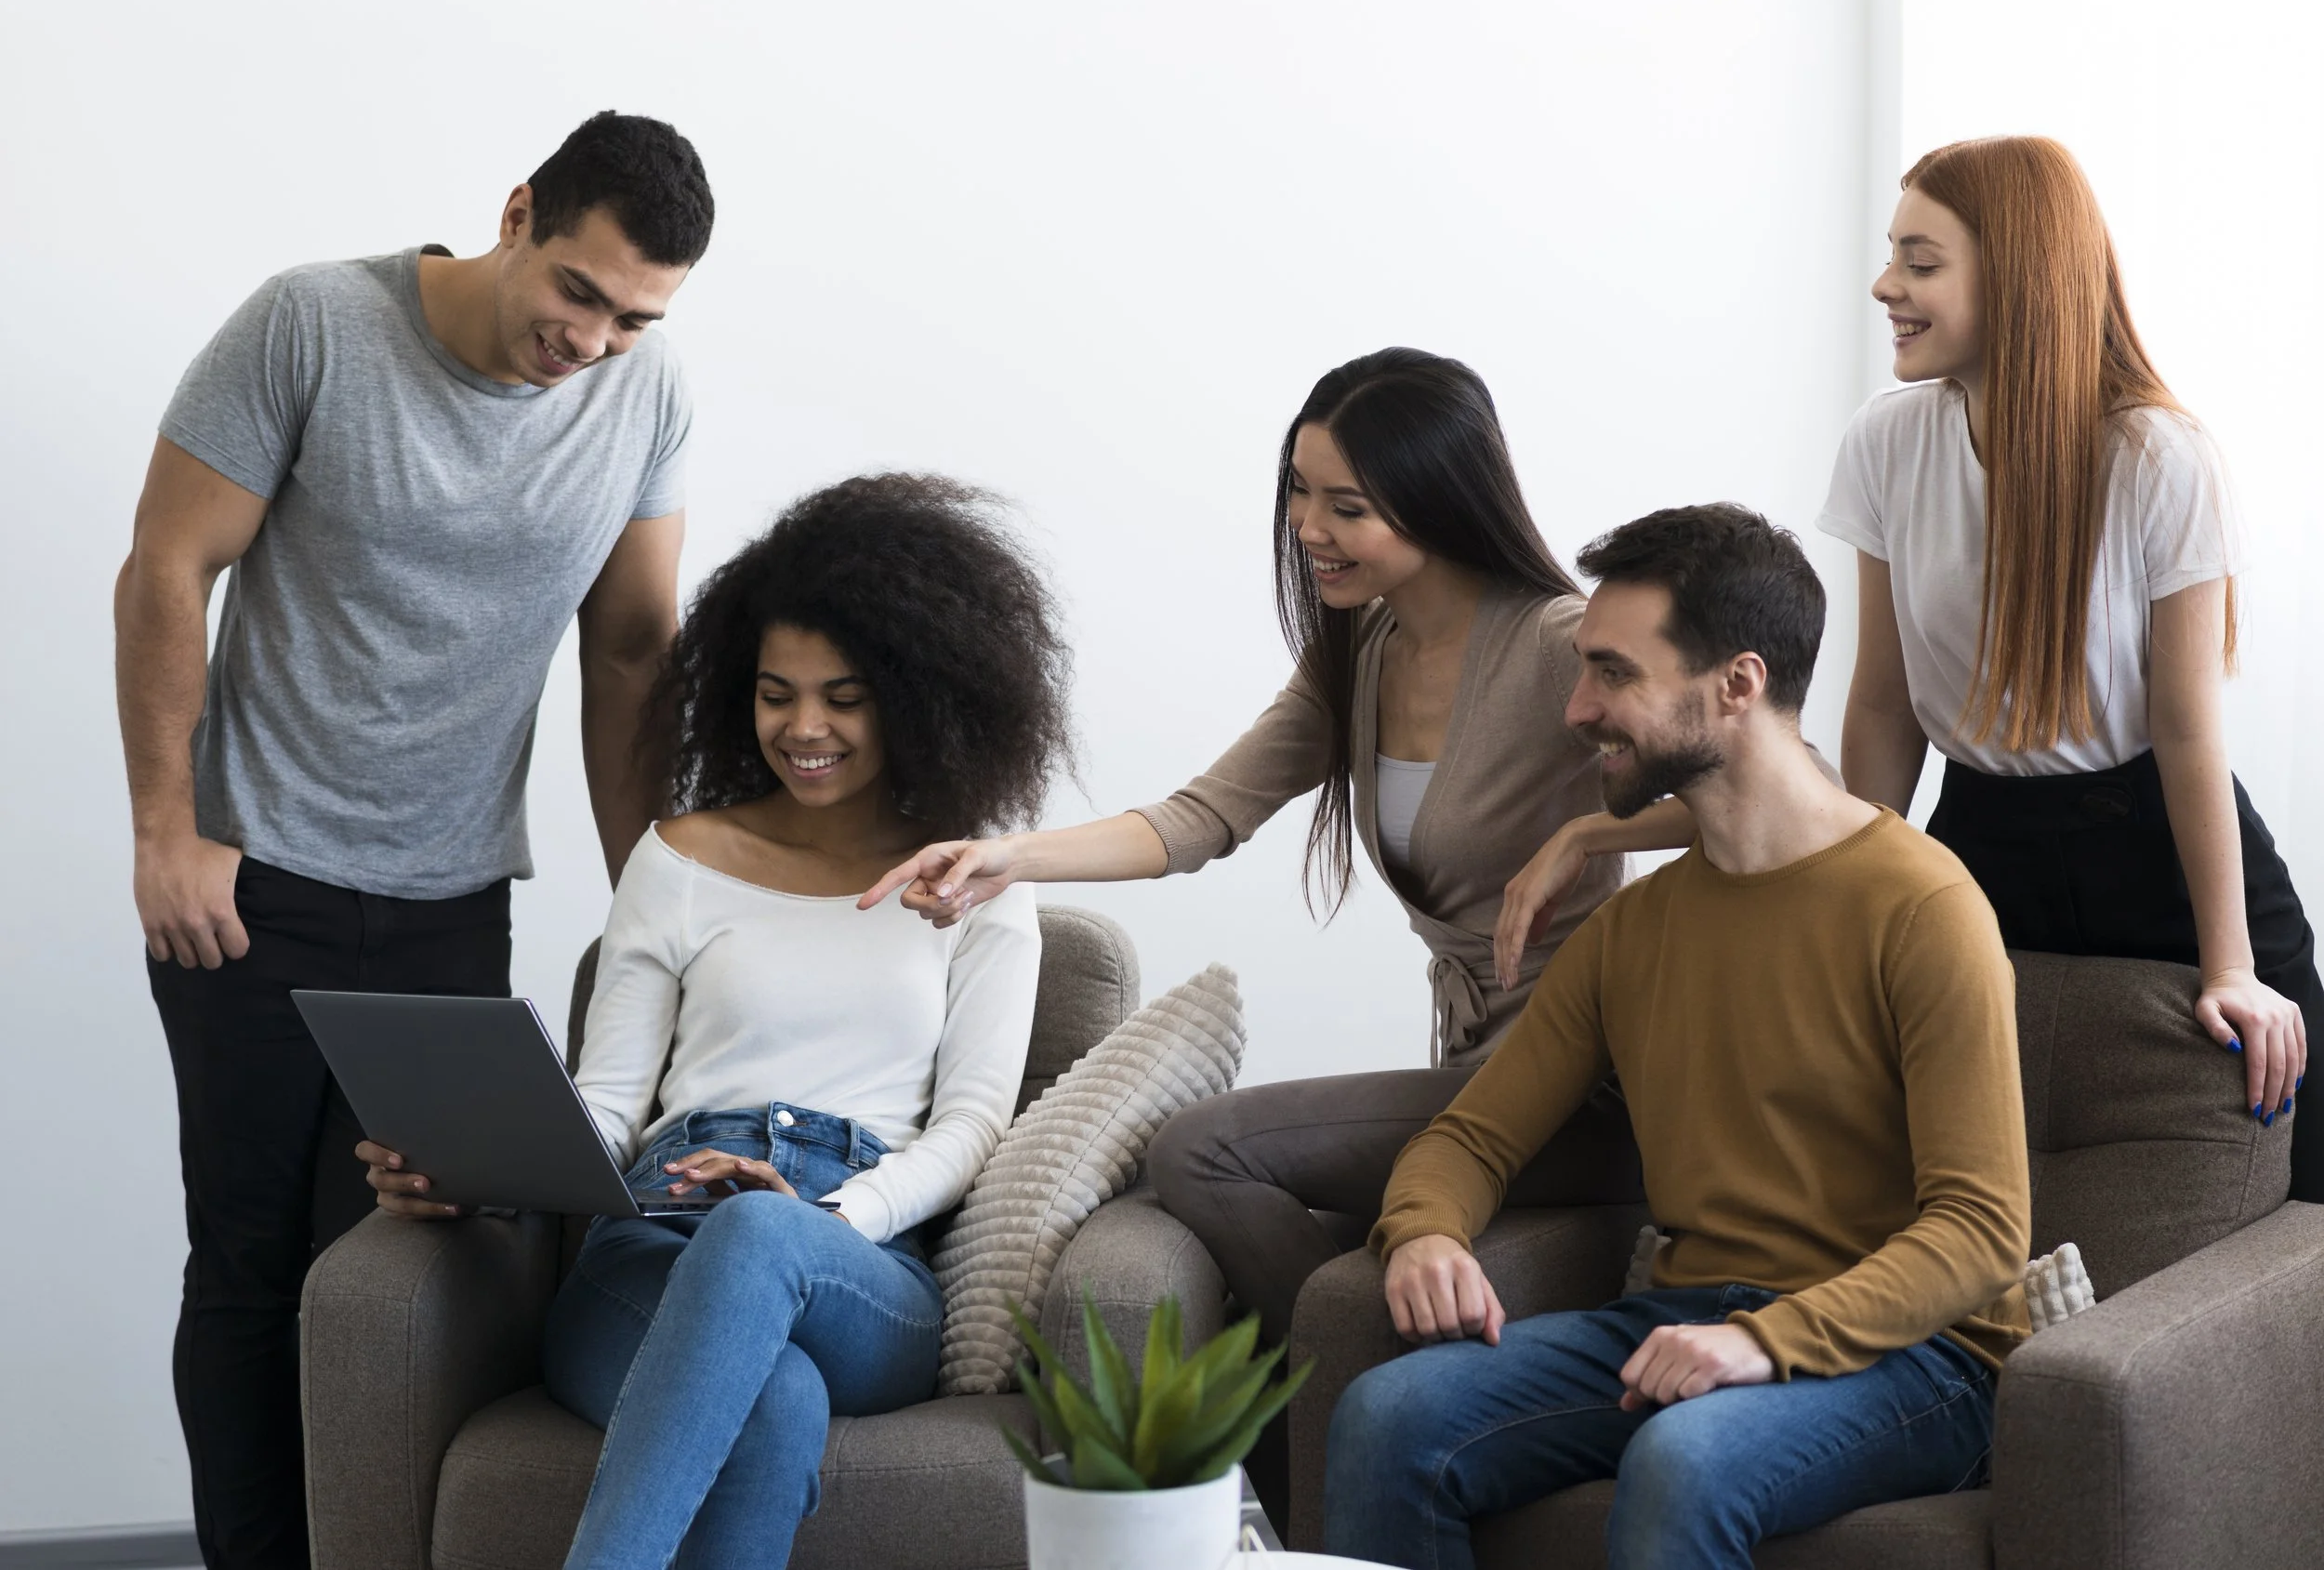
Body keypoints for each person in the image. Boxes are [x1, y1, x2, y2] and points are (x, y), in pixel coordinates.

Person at [117, 111, 713, 1570]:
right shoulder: (313, 324)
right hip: (252, 885)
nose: (592, 341)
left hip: (452, 904)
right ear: (516, 214)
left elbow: (632, 651)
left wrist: (658, 904)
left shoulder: (644, 398)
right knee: (254, 1265)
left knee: (398, 1277)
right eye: (578, 291)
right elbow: (169, 568)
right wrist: (168, 832)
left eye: (634, 319)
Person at [864, 349, 1676, 1356]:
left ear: (1438, 501)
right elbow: (1200, 817)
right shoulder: (1360, 653)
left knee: (1203, 1150)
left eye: (1346, 506)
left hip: (1592, 1081)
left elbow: (1774, 778)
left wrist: (1593, 832)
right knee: (1226, 1171)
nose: (1306, 527)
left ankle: (1343, 1377)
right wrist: (1008, 857)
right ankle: (1347, 1390)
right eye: (1298, 490)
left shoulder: (1557, 642)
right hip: (1480, 1072)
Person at [357, 475, 1068, 1570]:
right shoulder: (680, 858)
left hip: (854, 1260)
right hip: (651, 1240)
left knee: (758, 1235)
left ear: (920, 696)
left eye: (844, 697)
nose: (803, 728)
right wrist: (480, 1167)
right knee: (774, 1404)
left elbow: (972, 1124)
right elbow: (609, 1103)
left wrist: (829, 1213)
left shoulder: (975, 879)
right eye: (776, 694)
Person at [1326, 505, 2030, 1570]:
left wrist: (1763, 1340)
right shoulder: (1632, 931)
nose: (1577, 708)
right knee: (1388, 1416)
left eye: (1612, 673)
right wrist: (1425, 1230)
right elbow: (1470, 1137)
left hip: (1919, 1357)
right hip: (1687, 1314)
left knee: (1683, 1457)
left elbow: (1981, 1231)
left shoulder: (1923, 906)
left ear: (1737, 684)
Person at [1821, 136, 2314, 1194]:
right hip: (1982, 841)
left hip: (2155, 839)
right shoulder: (1884, 442)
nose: (1884, 285)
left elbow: (2187, 729)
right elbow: (1885, 702)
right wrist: (1847, 905)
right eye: (1892, 254)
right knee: (1934, 1155)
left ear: (2017, 275)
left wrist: (2230, 963)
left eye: (1918, 260)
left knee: (2303, 1141)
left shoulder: (2157, 456)